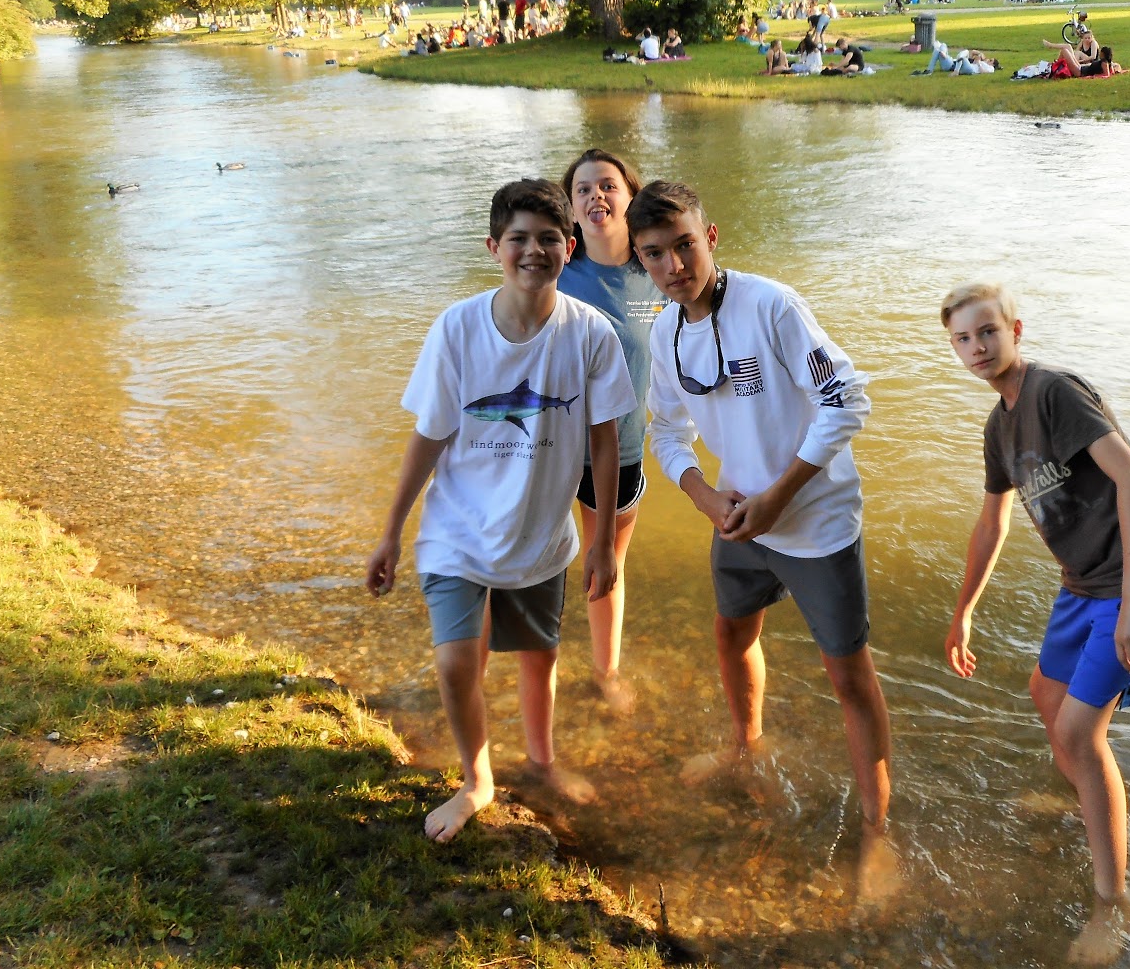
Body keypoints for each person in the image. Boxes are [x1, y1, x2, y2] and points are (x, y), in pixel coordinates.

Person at [629, 180, 897, 903]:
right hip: (738, 519)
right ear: (641, 262)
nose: (674, 264)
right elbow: (664, 429)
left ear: (710, 237)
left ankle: (877, 833)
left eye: (684, 244)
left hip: (814, 522)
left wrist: (782, 493)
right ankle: (745, 745)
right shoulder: (663, 331)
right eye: (655, 254)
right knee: (730, 634)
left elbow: (847, 398)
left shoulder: (772, 306)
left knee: (848, 677)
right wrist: (707, 497)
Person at [365, 178, 639, 842]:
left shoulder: (592, 335)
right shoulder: (457, 329)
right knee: (458, 661)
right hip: (457, 529)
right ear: (494, 247)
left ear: (568, 249)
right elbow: (428, 435)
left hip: (542, 534)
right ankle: (477, 777)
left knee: (539, 661)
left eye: (549, 239)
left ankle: (541, 763)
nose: (533, 251)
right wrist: (391, 533)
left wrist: (603, 544)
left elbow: (604, 439)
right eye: (518, 238)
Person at [939, 282, 1130, 962]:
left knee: (1080, 731)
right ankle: (1086, 803)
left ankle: (1113, 903)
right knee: (1046, 696)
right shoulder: (999, 425)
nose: (977, 348)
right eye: (963, 338)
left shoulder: (1054, 392)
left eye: (988, 331)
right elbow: (991, 521)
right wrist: (963, 613)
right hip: (1083, 581)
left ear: (1016, 330)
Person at [557, 151, 666, 711]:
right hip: (550, 447)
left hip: (622, 448)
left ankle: (605, 674)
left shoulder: (657, 270)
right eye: (583, 189)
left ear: (631, 197)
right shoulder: (554, 269)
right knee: (538, 559)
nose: (596, 196)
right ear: (570, 209)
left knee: (607, 562)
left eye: (608, 185)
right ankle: (531, 670)